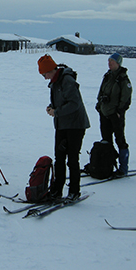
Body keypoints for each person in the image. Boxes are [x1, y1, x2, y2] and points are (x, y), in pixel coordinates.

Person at [38, 54, 90, 201]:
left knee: (72, 159)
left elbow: (75, 104)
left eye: (44, 74)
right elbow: (61, 102)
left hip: (75, 125)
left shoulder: (67, 80)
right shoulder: (55, 82)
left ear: (51, 70)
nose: (45, 78)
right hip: (62, 125)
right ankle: (57, 190)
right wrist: (52, 108)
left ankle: (74, 191)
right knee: (59, 158)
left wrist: (57, 112)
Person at [95, 53, 132, 176]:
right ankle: (107, 164)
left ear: (118, 63)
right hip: (104, 112)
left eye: (112, 61)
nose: (109, 63)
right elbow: (101, 92)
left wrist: (119, 112)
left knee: (120, 140)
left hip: (115, 115)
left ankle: (123, 168)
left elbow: (126, 98)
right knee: (106, 140)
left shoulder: (123, 79)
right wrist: (99, 105)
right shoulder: (107, 76)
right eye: (109, 61)